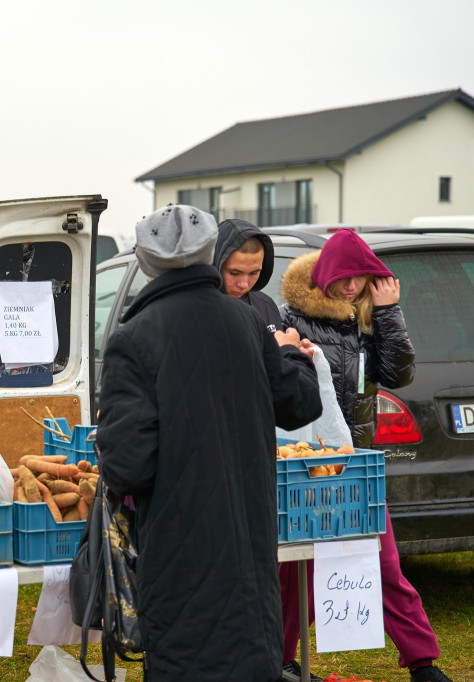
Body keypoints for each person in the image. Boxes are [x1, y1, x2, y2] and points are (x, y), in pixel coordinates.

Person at [95, 204, 324, 682]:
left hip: (180, 556)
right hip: (249, 546)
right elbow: (301, 404)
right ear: (209, 255)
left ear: (146, 262)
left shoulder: (132, 339)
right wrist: (291, 355)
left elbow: (128, 468)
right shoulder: (247, 322)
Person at [279, 228, 452, 682]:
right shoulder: (289, 318)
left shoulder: (369, 322)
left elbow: (398, 374)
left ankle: (423, 663)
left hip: (357, 465)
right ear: (325, 274)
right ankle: (279, 658)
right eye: (344, 277)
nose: (352, 286)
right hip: (300, 465)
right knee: (295, 569)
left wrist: (390, 311)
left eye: (361, 277)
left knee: (385, 563)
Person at [213, 218, 282, 330]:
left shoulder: (266, 307)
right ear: (216, 263)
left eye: (254, 273)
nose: (244, 284)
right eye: (234, 273)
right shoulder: (195, 309)